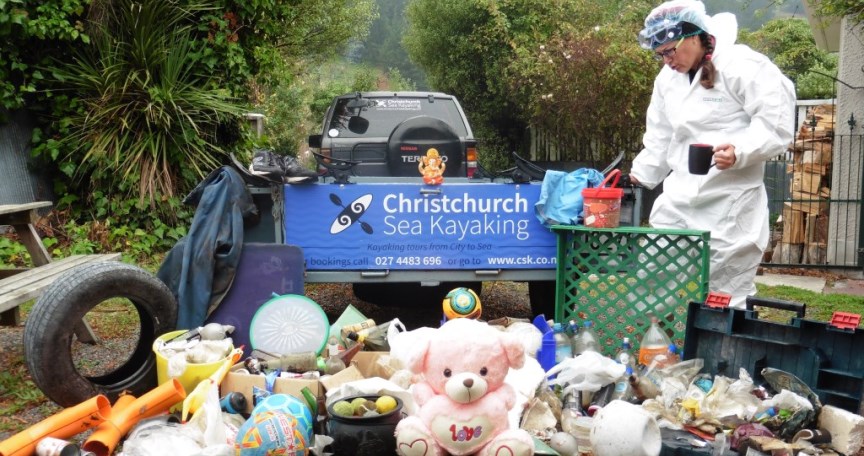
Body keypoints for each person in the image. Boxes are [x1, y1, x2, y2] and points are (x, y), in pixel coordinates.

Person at [628, 0, 795, 308]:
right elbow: (661, 135)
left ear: (695, 36)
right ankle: (655, 335)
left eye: (670, 51)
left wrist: (740, 151)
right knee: (654, 272)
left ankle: (724, 339)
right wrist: (639, 174)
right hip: (679, 197)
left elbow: (777, 123)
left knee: (726, 291)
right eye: (659, 54)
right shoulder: (667, 80)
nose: (666, 60)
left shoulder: (744, 65)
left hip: (730, 200)